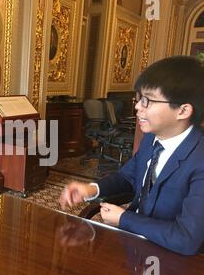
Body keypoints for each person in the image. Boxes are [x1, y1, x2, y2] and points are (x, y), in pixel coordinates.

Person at [60, 56, 204, 255]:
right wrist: (91, 189)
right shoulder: (151, 139)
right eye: (139, 98)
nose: (137, 107)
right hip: (135, 248)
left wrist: (124, 219)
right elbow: (128, 177)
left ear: (183, 110)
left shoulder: (200, 159)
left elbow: (186, 239)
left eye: (148, 100)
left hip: (173, 260)